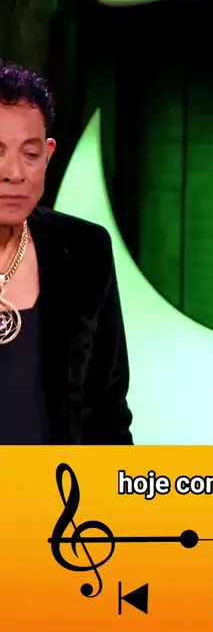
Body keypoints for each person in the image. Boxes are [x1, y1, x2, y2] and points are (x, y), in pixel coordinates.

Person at [0, 60, 133, 444]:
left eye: (30, 154)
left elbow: (108, 413)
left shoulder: (84, 252)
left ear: (48, 155)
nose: (14, 173)